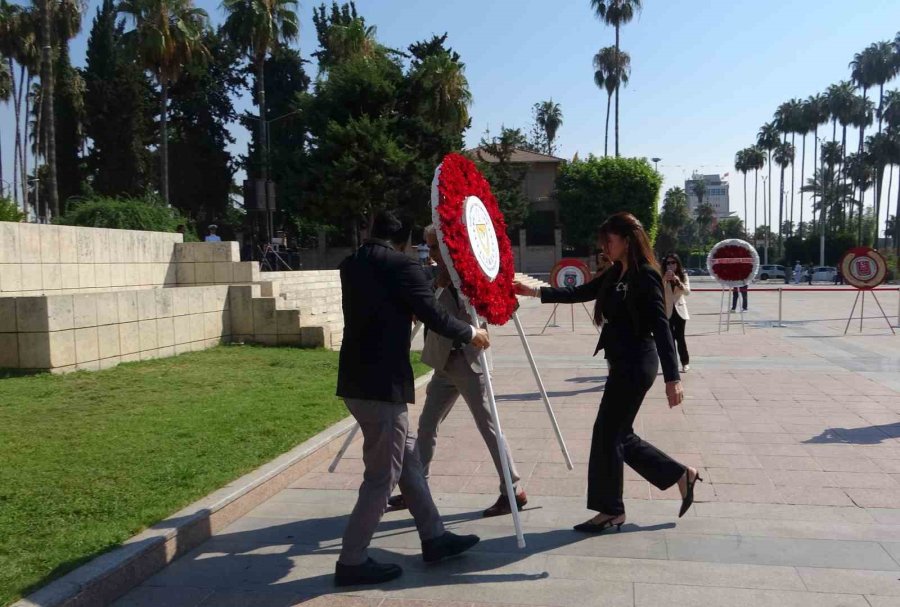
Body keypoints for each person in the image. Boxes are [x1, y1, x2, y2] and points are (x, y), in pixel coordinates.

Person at [513, 212, 700, 533]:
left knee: (607, 434)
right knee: (618, 436)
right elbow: (579, 293)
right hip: (621, 363)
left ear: (627, 241)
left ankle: (612, 509)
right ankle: (679, 476)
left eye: (609, 241)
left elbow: (661, 326)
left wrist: (673, 378)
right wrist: (534, 292)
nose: (604, 248)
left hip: (637, 363)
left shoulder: (646, 275)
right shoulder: (615, 273)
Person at [335, 209, 488, 586]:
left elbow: (390, 302)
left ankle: (434, 538)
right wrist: (471, 333)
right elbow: (433, 315)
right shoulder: (402, 266)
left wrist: (427, 286)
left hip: (356, 379)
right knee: (382, 476)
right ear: (404, 241)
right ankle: (352, 560)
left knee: (409, 462)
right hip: (382, 385)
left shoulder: (352, 264)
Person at [387, 225, 527, 518]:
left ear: (448, 246)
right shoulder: (433, 277)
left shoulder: (472, 275)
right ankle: (416, 488)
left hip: (470, 363)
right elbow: (423, 306)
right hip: (444, 363)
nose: (430, 253)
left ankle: (512, 490)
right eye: (428, 246)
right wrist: (434, 287)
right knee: (427, 425)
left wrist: (467, 287)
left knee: (489, 427)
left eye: (434, 247)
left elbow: (492, 308)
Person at [662, 253, 691, 373]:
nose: (670, 265)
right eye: (668, 263)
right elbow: (658, 290)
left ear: (677, 264)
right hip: (667, 311)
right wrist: (665, 279)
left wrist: (678, 281)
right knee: (669, 339)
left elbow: (687, 292)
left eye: (673, 262)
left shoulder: (683, 275)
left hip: (680, 310)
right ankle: (672, 364)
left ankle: (685, 362)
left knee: (680, 338)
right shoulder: (662, 276)